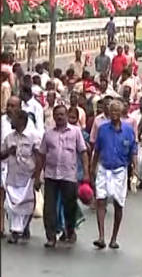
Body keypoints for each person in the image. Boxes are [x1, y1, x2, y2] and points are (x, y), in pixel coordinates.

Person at [35, 104, 90, 247]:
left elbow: (83, 152)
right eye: (57, 114)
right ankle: (51, 237)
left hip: (69, 175)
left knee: (69, 207)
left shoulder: (75, 132)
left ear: (66, 116)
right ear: (53, 117)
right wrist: (37, 176)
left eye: (62, 114)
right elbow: (41, 155)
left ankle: (69, 230)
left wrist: (86, 173)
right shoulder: (48, 134)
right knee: (49, 208)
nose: (59, 117)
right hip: (51, 176)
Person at [91, 99, 138, 249]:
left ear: (122, 113)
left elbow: (133, 151)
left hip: (120, 171)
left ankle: (114, 238)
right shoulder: (103, 129)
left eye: (117, 111)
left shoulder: (128, 131)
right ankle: (101, 236)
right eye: (112, 111)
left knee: (119, 204)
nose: (114, 114)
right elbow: (97, 150)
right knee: (100, 200)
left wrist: (135, 169)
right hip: (104, 168)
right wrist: (92, 168)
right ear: (109, 113)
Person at [0, 111, 40, 244]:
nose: (10, 121)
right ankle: (15, 231)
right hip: (12, 176)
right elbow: (1, 155)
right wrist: (8, 151)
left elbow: (39, 156)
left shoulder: (33, 136)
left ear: (22, 120)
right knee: (10, 206)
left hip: (27, 176)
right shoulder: (9, 138)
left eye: (13, 119)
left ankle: (23, 227)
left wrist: (38, 175)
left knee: (27, 204)